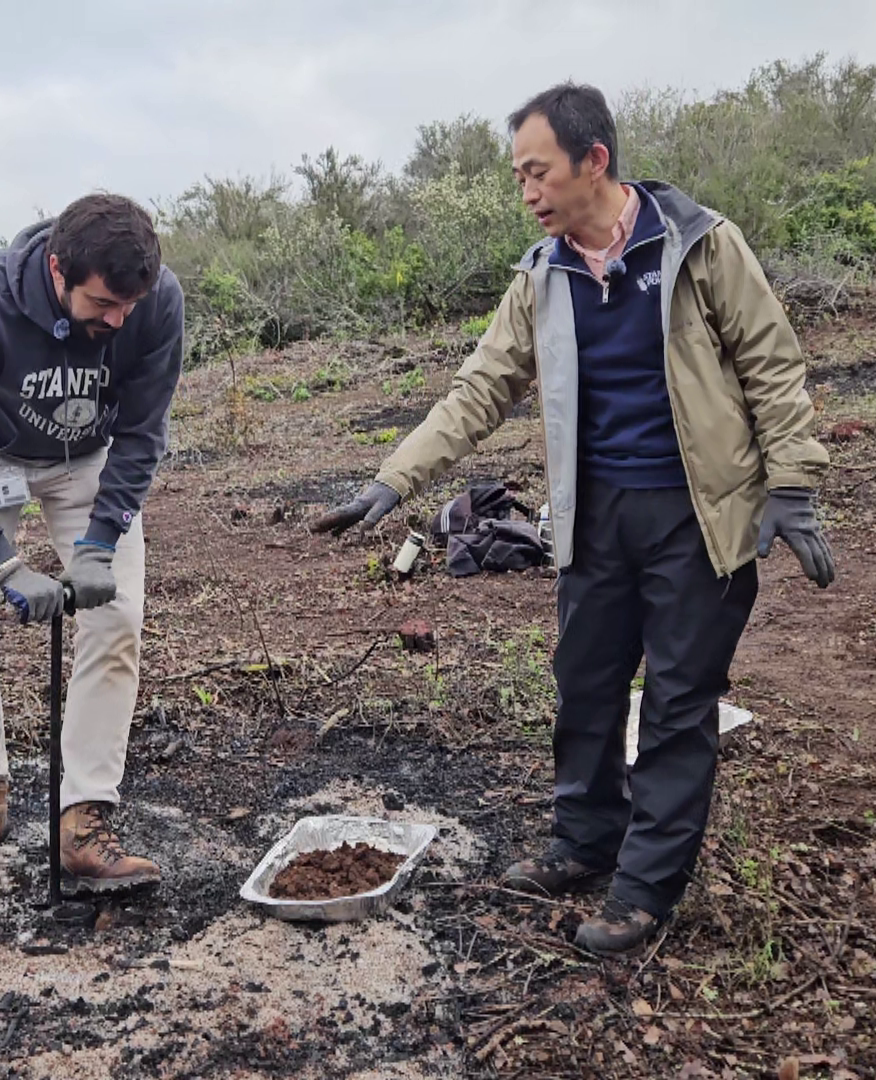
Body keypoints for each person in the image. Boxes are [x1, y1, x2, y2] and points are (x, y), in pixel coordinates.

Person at [313, 83, 834, 953]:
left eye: (537, 170)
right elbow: (481, 387)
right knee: (586, 688)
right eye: (519, 173)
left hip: (695, 517)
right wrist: (395, 480)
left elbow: (773, 366)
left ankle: (644, 890)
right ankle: (587, 839)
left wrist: (793, 486)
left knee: (676, 704)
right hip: (592, 517)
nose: (526, 191)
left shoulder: (701, 248)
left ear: (594, 161)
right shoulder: (542, 275)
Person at [0, 193, 183, 894]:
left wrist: (100, 540)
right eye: (102, 305)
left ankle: (85, 820)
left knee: (116, 622)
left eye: (132, 303)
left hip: (88, 461)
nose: (119, 320)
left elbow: (143, 433)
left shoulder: (155, 302)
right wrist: (3, 565)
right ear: (58, 270)